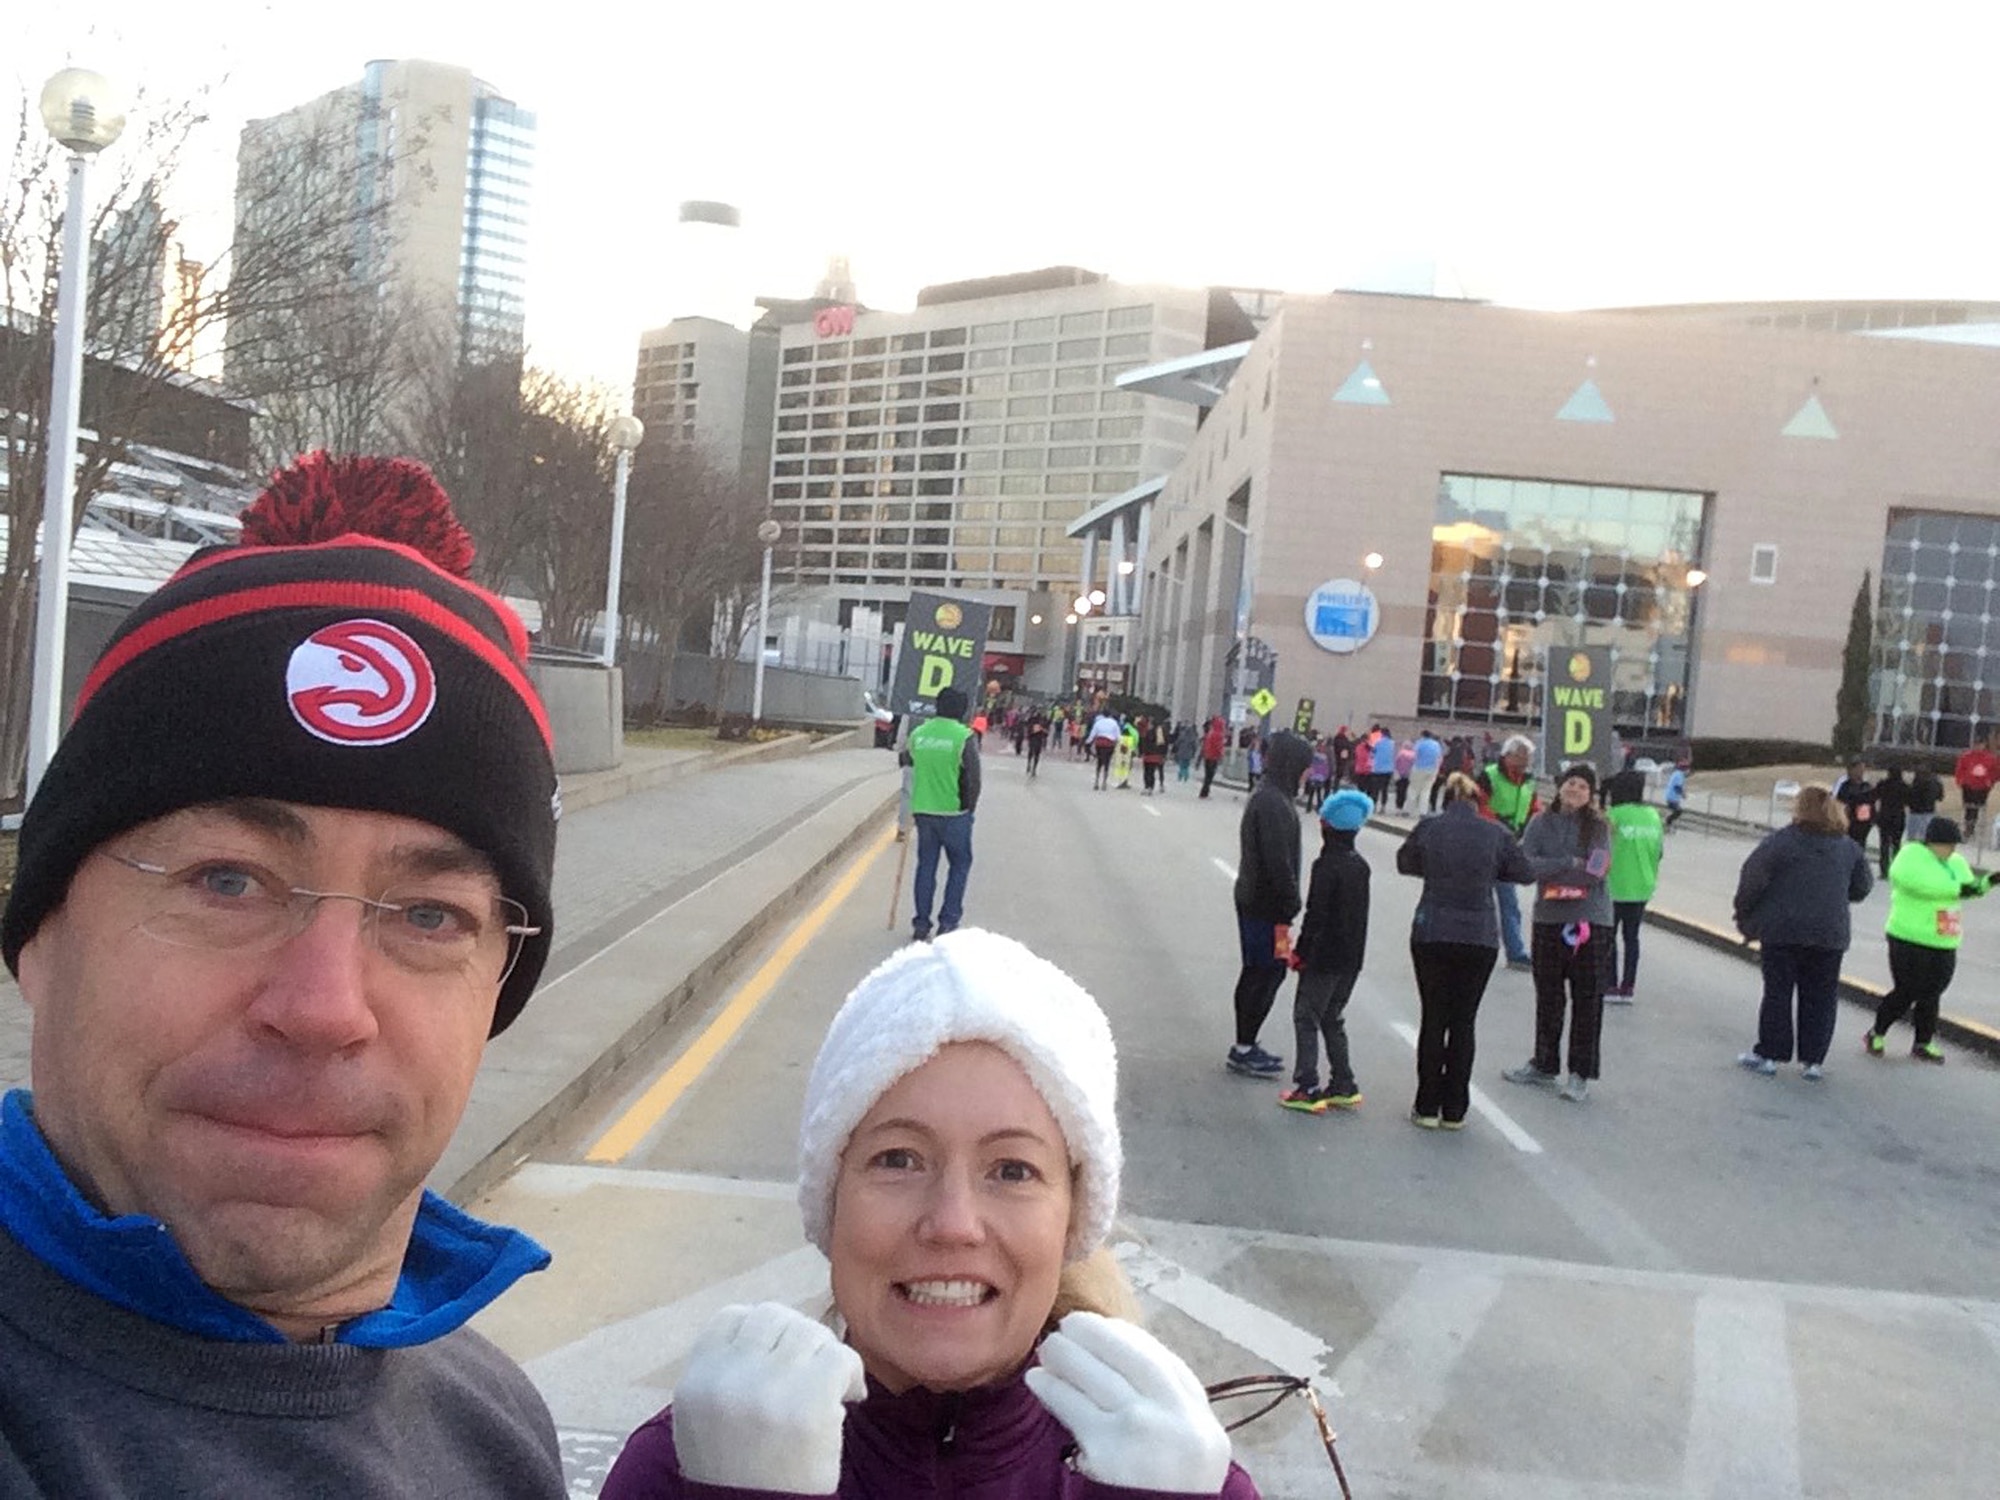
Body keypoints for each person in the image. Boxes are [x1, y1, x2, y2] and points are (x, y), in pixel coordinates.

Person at [0, 453, 565, 1495]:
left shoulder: (493, 1430)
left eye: (429, 915)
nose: (322, 1007)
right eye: (228, 881)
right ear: (41, 933)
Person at [601, 931, 1258, 1500]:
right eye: (898, 1159)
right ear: (831, 1202)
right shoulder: (686, 1466)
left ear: (1073, 1219)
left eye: (1012, 1170)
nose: (953, 1223)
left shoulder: (1184, 1481)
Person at [1397, 773, 1538, 1129]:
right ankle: (1455, 1109)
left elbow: (1405, 863)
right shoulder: (1495, 832)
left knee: (1434, 1018)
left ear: (1445, 798)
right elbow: (1523, 872)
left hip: (1432, 929)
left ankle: (1426, 1106)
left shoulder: (1430, 828)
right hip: (1479, 935)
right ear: (1478, 800)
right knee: (1464, 1021)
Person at [1732, 784, 1873, 1079]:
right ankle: (1813, 1060)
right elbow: (1862, 887)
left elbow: (1752, 878)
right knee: (1821, 996)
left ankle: (1770, 1053)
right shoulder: (1848, 847)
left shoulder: (1781, 842)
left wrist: (1744, 914)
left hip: (1783, 930)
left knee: (1778, 992)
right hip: (1829, 933)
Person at [1503, 763, 1613, 1103]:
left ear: (1591, 794)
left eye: (1582, 786)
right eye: (1571, 784)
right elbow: (1525, 864)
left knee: (1587, 998)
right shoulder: (1540, 822)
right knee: (1548, 994)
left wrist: (1559, 870)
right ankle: (1544, 1062)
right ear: (1560, 787)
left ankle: (1580, 1072)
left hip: (1589, 921)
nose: (1575, 790)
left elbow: (1595, 872)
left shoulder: (1598, 827)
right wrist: (1568, 862)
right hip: (1549, 919)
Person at [1864, 818, 1990, 1063]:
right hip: (1908, 936)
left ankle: (1923, 1041)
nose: (1952, 850)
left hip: (1943, 938)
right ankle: (1876, 1032)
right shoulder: (1910, 856)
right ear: (1933, 842)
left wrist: (1988, 883)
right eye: (1948, 845)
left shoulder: (1955, 862)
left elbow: (1969, 888)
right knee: (1907, 990)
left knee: (1933, 992)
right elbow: (1921, 885)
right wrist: (1961, 889)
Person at [1280, 789, 1373, 1113]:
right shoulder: (1360, 866)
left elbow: (1316, 915)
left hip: (1324, 957)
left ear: (1327, 826)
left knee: (1306, 1016)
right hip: (1351, 958)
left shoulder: (1326, 865)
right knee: (1333, 1016)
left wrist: (1302, 952)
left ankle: (1308, 1085)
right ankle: (1343, 1082)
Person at [1228, 731, 1312, 1078]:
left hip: (1266, 903)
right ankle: (1243, 1046)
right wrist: (1292, 900)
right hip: (1265, 904)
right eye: (1306, 767)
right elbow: (1278, 861)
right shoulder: (1272, 803)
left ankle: (1247, 1042)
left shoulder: (1274, 797)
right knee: (1262, 970)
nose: (1309, 774)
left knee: (1270, 970)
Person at [907, 686, 982, 942]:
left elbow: (906, 759)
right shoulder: (964, 737)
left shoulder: (919, 734)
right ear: (961, 711)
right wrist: (969, 809)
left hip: (923, 810)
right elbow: (973, 779)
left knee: (926, 866)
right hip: (954, 812)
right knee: (959, 865)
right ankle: (948, 922)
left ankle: (921, 923)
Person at [1479, 734, 1539, 967]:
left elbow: (1533, 808)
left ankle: (1515, 952)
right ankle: (1480, 944)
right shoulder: (1489, 776)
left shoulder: (1529, 781)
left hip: (1511, 845)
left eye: (1528, 756)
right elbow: (1479, 805)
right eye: (1521, 755)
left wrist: (1529, 830)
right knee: (1481, 899)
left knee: (1508, 900)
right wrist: (1498, 825)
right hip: (1486, 842)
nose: (1525, 760)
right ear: (1508, 755)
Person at [1604, 773, 1665, 1002]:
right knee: (1632, 938)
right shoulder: (1653, 815)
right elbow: (1659, 852)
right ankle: (1628, 986)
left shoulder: (1614, 815)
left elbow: (1601, 848)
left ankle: (1610, 984)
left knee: (1608, 937)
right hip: (1643, 885)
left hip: (1614, 884)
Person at [1954, 737, 1998, 840]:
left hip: (1982, 788)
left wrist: (1990, 782)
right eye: (1975, 744)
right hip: (1968, 786)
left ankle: (1971, 827)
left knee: (1976, 807)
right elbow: (1959, 769)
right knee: (1969, 807)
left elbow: (1995, 772)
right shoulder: (1966, 756)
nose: (1977, 747)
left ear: (1984, 745)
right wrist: (1960, 781)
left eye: (1979, 744)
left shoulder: (1990, 758)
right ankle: (1968, 827)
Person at [1873, 766, 1911, 878]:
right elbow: (1908, 801)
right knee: (1896, 844)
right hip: (1898, 817)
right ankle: (1896, 870)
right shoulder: (1904, 786)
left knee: (1884, 844)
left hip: (1885, 815)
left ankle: (1884, 870)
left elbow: (1874, 796)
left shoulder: (1883, 784)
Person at [1832, 760, 1875, 856]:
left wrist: (1872, 820)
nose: (1861, 771)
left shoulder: (1866, 786)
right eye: (1858, 769)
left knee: (1860, 850)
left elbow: (1872, 804)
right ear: (1851, 770)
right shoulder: (1845, 786)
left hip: (1863, 825)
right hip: (1848, 824)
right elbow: (1839, 803)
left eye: (1862, 769)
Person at [1907, 761, 1945, 845]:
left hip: (1915, 811)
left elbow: (1909, 795)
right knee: (1926, 836)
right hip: (1929, 811)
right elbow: (1940, 797)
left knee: (1912, 837)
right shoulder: (1936, 782)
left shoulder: (1916, 781)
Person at [1408, 729, 1444, 816]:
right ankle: (1423, 811)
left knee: (1413, 789)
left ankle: (1409, 810)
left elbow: (1413, 756)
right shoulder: (1436, 744)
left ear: (1422, 735)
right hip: (1432, 770)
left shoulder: (1420, 743)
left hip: (1419, 768)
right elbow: (1439, 758)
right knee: (1426, 791)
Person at [1088, 706, 1122, 790]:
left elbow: (1093, 733)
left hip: (1100, 743)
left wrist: (1088, 742)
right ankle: (1104, 782)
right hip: (1109, 745)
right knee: (1107, 763)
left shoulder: (1098, 722)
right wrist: (1118, 743)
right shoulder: (1114, 723)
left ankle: (1096, 781)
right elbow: (1118, 736)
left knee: (1099, 762)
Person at [1198, 715, 1227, 798]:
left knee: (1207, 775)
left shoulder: (1210, 733)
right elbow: (1219, 746)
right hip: (1213, 757)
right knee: (1210, 776)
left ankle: (1204, 792)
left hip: (1207, 756)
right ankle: (1205, 792)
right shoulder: (1219, 735)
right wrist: (1221, 755)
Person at [1140, 717, 1170, 796]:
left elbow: (1144, 743)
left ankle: (1147, 787)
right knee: (1152, 772)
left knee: (1147, 772)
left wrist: (1142, 753)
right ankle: (1151, 788)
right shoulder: (1161, 733)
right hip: (1156, 756)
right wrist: (1163, 755)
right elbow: (1164, 744)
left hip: (1148, 755)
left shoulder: (1147, 732)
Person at [1113, 718, 1139, 790]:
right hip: (1129, 750)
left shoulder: (1124, 728)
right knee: (1127, 766)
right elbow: (1136, 741)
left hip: (1123, 749)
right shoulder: (1132, 730)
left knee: (1123, 765)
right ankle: (1124, 781)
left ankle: (1122, 781)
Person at [1662, 761, 1689, 832]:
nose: (1688, 772)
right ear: (1685, 770)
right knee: (1678, 811)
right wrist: (1683, 795)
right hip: (1672, 798)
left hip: (1672, 797)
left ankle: (1668, 825)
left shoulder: (1676, 774)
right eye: (1687, 770)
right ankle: (1667, 822)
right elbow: (1677, 787)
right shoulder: (1679, 775)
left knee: (1675, 811)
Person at [1393, 736, 1416, 812]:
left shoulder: (1400, 753)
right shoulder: (1414, 755)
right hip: (1409, 775)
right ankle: (1405, 807)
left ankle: (1398, 807)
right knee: (1407, 791)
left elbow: (1396, 764)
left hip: (1400, 775)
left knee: (1399, 791)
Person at [1025, 707, 1049, 778]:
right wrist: (1033, 731)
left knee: (1036, 755)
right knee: (1031, 753)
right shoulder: (1032, 721)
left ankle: (1034, 769)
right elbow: (1029, 731)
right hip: (1033, 739)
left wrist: (1042, 729)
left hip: (1039, 740)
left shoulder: (1044, 723)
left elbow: (1046, 733)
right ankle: (1029, 765)